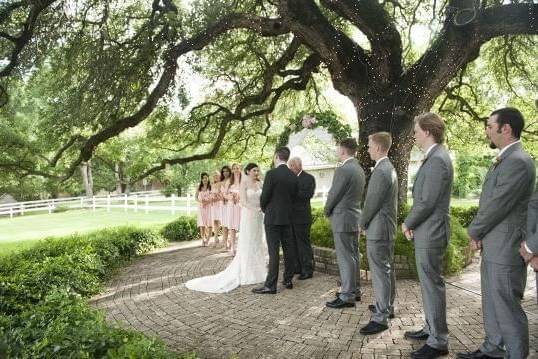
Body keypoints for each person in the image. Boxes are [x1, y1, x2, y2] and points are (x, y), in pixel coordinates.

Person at [458, 108, 536, 359]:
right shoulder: (506, 158)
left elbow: (497, 204)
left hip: (506, 246)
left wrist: (474, 231)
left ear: (506, 129)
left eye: (490, 125)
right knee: (492, 301)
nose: (487, 130)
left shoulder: (519, 161)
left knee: (507, 307)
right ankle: (493, 348)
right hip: (494, 243)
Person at [402, 112, 453, 359]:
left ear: (428, 131)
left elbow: (427, 202)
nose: (413, 134)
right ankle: (431, 328)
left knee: (432, 285)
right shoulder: (433, 157)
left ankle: (438, 341)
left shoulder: (438, 159)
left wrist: (407, 223)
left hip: (431, 232)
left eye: (416, 130)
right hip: (427, 230)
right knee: (428, 285)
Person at [185, 163, 267, 293]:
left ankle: (260, 269)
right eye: (254, 170)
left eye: (258, 170)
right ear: (248, 172)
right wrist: (255, 209)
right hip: (249, 214)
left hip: (259, 216)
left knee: (257, 240)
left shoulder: (261, 183)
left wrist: (263, 208)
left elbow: (265, 197)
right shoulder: (244, 184)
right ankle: (247, 270)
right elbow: (244, 202)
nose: (256, 172)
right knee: (248, 240)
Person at [359, 132, 398, 335]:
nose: (367, 149)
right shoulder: (388, 168)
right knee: (387, 270)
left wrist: (362, 223)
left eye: (369, 146)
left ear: (379, 148)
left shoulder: (381, 171)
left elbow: (371, 203)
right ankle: (387, 307)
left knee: (380, 273)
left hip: (379, 229)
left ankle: (381, 317)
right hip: (386, 229)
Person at [324, 138, 365, 309]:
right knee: (353, 255)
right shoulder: (359, 169)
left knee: (345, 257)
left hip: (342, 218)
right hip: (354, 217)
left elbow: (334, 193)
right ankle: (354, 290)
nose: (336, 151)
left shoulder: (343, 170)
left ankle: (346, 294)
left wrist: (326, 210)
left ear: (342, 150)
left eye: (337, 148)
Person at [252, 147, 298, 294]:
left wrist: (266, 209)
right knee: (288, 250)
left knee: (273, 252)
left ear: (277, 157)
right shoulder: (293, 176)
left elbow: (264, 196)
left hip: (273, 218)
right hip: (288, 218)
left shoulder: (271, 174)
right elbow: (295, 198)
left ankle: (271, 285)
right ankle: (288, 279)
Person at [288, 157, 316, 280]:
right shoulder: (290, 179)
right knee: (293, 243)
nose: (290, 168)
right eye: (290, 166)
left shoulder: (308, 178)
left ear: (298, 165)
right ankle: (297, 267)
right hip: (291, 217)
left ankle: (307, 270)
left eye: (292, 166)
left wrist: (291, 192)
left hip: (302, 217)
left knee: (303, 244)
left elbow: (307, 194)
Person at [225, 163, 242, 256]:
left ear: (240, 169)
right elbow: (224, 194)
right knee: (232, 227)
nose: (236, 170)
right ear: (232, 170)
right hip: (231, 205)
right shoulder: (229, 182)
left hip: (240, 206)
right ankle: (232, 248)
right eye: (234, 168)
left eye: (237, 168)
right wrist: (230, 197)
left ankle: (240, 247)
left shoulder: (243, 181)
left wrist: (239, 196)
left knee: (241, 226)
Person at [195, 172, 212, 246]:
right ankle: (203, 240)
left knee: (209, 223)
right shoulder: (199, 187)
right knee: (202, 224)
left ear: (208, 178)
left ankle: (208, 240)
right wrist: (201, 201)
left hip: (209, 207)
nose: (205, 179)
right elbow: (195, 197)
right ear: (201, 179)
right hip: (201, 207)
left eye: (206, 177)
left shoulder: (210, 187)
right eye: (203, 178)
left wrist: (207, 201)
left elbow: (213, 197)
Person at [220, 165, 232, 250]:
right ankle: (225, 244)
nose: (225, 173)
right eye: (224, 171)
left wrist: (226, 197)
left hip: (229, 204)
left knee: (230, 224)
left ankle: (231, 243)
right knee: (224, 224)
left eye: (227, 171)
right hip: (222, 205)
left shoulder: (231, 180)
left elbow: (233, 190)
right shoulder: (221, 181)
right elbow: (219, 192)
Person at [209, 170, 223, 247]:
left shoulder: (221, 184)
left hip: (220, 204)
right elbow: (210, 194)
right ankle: (215, 238)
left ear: (219, 176)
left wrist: (216, 198)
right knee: (215, 221)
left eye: (217, 175)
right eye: (214, 176)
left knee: (221, 220)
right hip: (213, 205)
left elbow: (222, 194)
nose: (215, 177)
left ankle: (225, 237)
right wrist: (211, 198)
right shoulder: (212, 185)